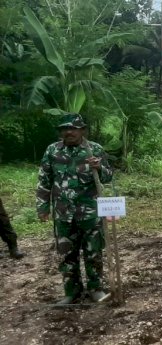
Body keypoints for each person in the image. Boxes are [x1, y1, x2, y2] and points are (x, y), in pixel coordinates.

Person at [36, 113, 113, 304]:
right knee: (66, 254)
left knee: (93, 252)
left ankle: (96, 288)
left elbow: (108, 176)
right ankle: (72, 292)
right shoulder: (52, 151)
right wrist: (42, 207)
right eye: (64, 129)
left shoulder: (94, 149)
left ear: (82, 130)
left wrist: (99, 167)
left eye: (72, 128)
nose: (68, 132)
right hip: (63, 213)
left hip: (90, 213)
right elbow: (44, 180)